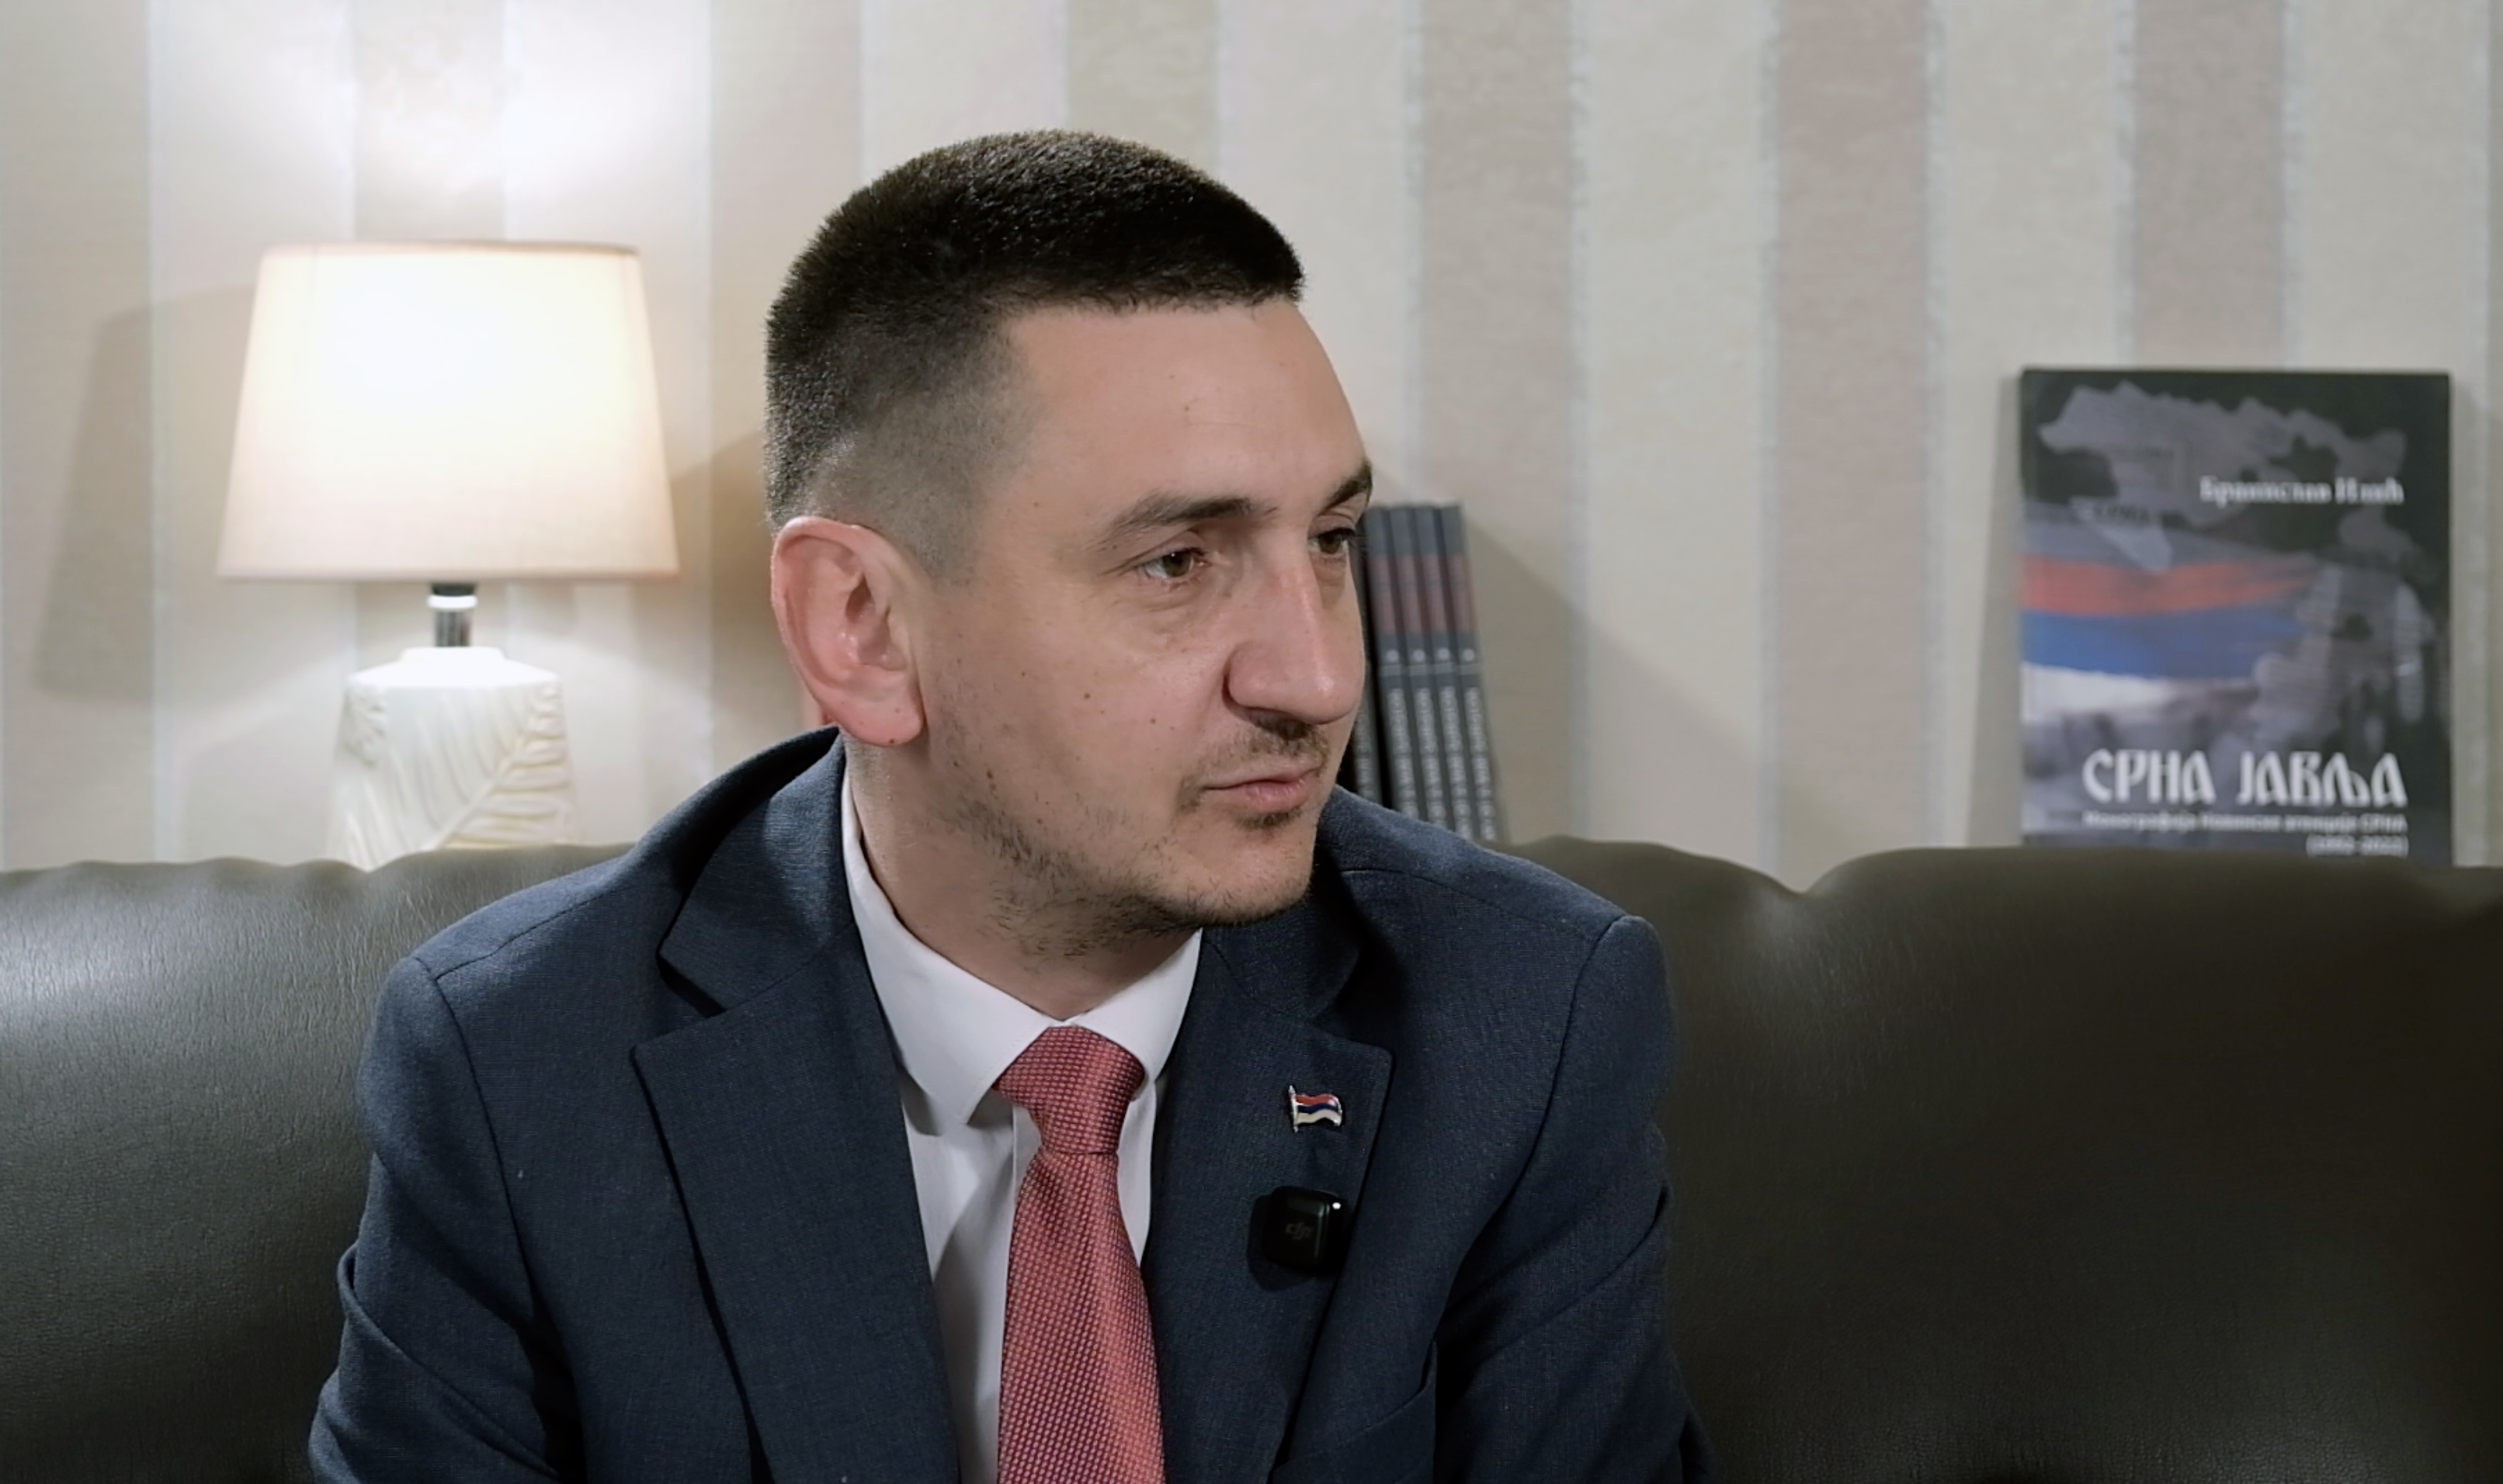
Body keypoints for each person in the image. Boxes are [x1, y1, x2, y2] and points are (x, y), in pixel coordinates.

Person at [311, 130, 1706, 1483]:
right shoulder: (523, 1057)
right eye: (1176, 563)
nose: (1320, 676)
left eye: (1332, 540)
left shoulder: (1524, 1016)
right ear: (862, 626)